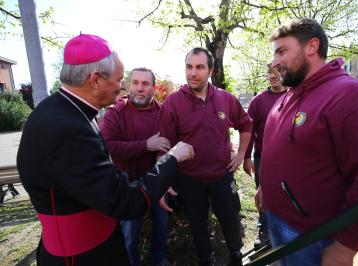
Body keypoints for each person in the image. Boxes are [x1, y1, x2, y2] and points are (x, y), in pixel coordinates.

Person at [17, 34, 194, 266]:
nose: (122, 87)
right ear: (95, 80)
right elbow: (125, 201)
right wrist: (172, 158)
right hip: (82, 256)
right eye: (121, 79)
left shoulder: (67, 110)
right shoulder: (66, 128)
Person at [255, 18, 358, 266]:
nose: (275, 62)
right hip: (278, 221)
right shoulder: (287, 96)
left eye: (282, 51)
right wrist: (264, 188)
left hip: (316, 237)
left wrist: (345, 247)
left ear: (311, 46)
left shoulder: (357, 99)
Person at [157, 47, 252, 266]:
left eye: (199, 67)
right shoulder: (173, 102)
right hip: (189, 178)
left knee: (230, 218)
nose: (193, 73)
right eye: (189, 67)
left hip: (222, 174)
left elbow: (246, 124)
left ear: (210, 70)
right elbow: (163, 145)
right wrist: (164, 179)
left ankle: (236, 254)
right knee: (198, 223)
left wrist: (240, 154)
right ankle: (205, 259)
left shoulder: (226, 99)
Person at [100, 67, 171, 266]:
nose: (139, 88)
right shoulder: (116, 113)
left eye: (145, 84)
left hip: (158, 181)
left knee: (161, 225)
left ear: (154, 88)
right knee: (129, 235)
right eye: (135, 83)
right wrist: (146, 145)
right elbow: (108, 146)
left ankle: (158, 260)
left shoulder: (163, 112)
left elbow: (169, 143)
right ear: (129, 86)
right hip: (128, 184)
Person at [243, 63, 286, 249]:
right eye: (270, 72)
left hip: (289, 157)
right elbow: (249, 131)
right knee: (263, 195)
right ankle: (264, 229)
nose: (273, 75)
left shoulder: (294, 96)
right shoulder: (258, 101)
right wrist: (246, 156)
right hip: (262, 155)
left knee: (287, 193)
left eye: (277, 71)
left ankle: (285, 229)